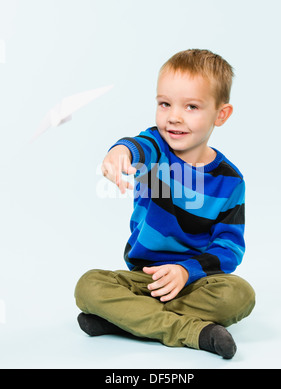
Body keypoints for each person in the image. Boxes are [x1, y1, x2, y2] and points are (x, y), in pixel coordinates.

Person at [74, 49, 255, 359]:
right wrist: (118, 154)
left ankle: (129, 320)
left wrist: (186, 272)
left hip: (196, 281)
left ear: (220, 114)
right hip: (143, 278)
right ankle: (191, 332)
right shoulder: (157, 150)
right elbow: (136, 146)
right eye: (164, 104)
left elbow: (229, 249)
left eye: (192, 106)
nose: (174, 116)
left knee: (239, 295)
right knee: (89, 286)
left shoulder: (230, 181)